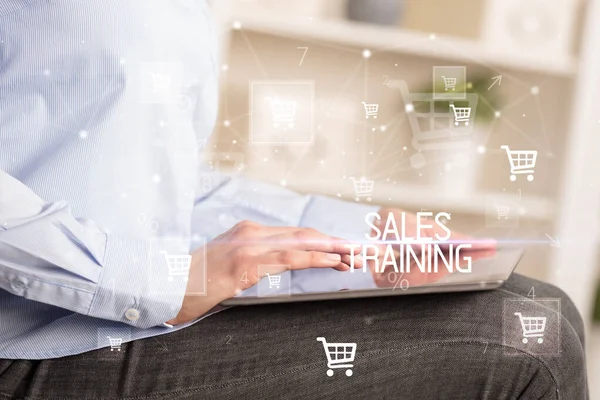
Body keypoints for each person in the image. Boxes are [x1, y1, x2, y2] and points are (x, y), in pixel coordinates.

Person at [0, 1, 587, 399]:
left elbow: (167, 183)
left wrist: (353, 236)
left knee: (545, 305)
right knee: (531, 335)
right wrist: (161, 281)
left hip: (119, 317)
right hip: (32, 345)